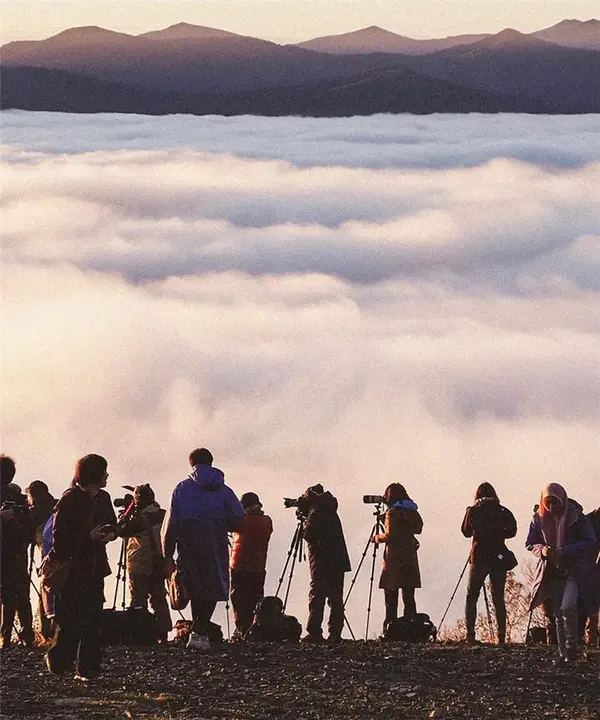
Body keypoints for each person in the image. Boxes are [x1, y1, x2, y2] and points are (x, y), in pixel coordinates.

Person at [161, 448, 244, 650]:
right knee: (212, 587)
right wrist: (224, 525)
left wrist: (167, 552)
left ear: (192, 464)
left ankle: (198, 632)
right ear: (211, 461)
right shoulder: (224, 490)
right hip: (215, 543)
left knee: (193, 586)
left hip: (188, 544)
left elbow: (171, 523)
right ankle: (200, 631)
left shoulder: (182, 488)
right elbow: (239, 518)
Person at [45, 454, 117, 680]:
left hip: (95, 567)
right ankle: (59, 662)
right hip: (74, 569)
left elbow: (113, 524)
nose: (107, 475)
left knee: (93, 619)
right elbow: (60, 541)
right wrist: (89, 537)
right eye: (104, 471)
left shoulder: (103, 498)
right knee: (70, 619)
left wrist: (111, 534)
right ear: (94, 474)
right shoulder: (69, 500)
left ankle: (88, 668)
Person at [526, 483, 598, 664]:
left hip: (575, 569)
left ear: (562, 500)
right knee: (557, 612)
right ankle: (563, 653)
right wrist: (542, 550)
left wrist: (565, 550)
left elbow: (590, 541)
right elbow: (531, 542)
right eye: (548, 503)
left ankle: (571, 648)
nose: (551, 507)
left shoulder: (577, 517)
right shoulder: (539, 519)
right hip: (551, 569)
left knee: (568, 606)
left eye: (555, 503)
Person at [461, 482, 517, 645]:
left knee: (472, 596)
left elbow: (465, 531)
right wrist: (498, 534)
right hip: (498, 556)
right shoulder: (503, 511)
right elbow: (512, 531)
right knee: (498, 598)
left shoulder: (473, 510)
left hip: (479, 557)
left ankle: (471, 635)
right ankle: (501, 638)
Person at [119, 484, 172, 641]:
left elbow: (120, 531)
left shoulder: (138, 519)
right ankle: (163, 633)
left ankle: (141, 632)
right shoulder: (163, 515)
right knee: (159, 597)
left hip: (139, 563)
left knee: (139, 598)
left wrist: (125, 515)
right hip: (158, 561)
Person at [301, 484, 351, 643]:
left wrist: (304, 523)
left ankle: (314, 631)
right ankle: (335, 633)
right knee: (336, 597)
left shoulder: (316, 512)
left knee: (318, 595)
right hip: (338, 561)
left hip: (321, 561)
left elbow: (310, 534)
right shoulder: (330, 508)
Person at [373, 483, 423, 629]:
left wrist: (377, 538)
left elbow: (390, 535)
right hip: (410, 558)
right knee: (409, 596)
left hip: (394, 560)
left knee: (391, 595)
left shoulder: (392, 512)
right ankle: (412, 628)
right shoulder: (412, 510)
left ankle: (391, 628)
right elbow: (418, 528)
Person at [0, 455, 35, 649]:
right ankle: (26, 634)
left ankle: (5, 637)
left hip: (9, 551)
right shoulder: (20, 500)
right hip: (17, 553)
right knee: (20, 595)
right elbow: (30, 528)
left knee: (7, 595)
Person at [230, 491, 273, 638]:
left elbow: (229, 524)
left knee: (239, 600)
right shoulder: (267, 521)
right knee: (255, 599)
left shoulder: (241, 520)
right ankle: (254, 628)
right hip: (259, 567)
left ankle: (242, 629)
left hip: (239, 566)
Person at [25, 480, 57, 640]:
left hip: (47, 556)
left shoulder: (32, 512)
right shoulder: (57, 505)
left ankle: (46, 632)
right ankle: (54, 630)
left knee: (46, 586)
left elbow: (24, 533)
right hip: (63, 555)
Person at [584, 505, 600, 646]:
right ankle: (591, 638)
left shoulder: (591, 518)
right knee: (592, 604)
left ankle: (592, 638)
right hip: (590, 566)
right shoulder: (590, 519)